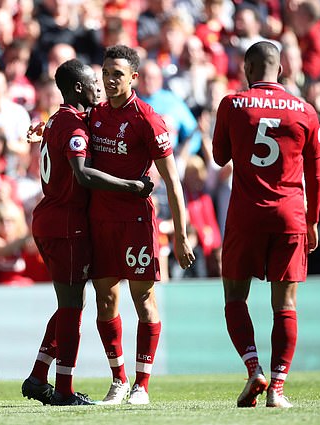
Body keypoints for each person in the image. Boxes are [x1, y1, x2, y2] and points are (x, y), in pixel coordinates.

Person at [21, 58, 154, 406]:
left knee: (70, 302)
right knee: (71, 308)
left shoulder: (60, 119)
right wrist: (133, 186)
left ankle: (38, 376)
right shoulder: (73, 126)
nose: (100, 87)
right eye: (95, 82)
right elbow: (82, 173)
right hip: (67, 224)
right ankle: (63, 390)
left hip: (51, 218)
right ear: (79, 88)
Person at [212, 41, 320, 409]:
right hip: (289, 214)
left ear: (247, 69)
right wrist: (313, 220)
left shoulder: (232, 104)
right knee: (285, 304)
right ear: (280, 69)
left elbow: (219, 157)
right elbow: (316, 176)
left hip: (245, 214)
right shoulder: (305, 111)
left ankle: (253, 368)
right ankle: (277, 388)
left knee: (234, 297)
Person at [88, 45, 195, 405]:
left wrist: (181, 235)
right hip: (101, 220)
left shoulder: (148, 119)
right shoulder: (95, 113)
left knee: (143, 299)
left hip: (136, 222)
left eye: (117, 74)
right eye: (105, 73)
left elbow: (173, 181)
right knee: (105, 299)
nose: (109, 80)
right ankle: (118, 380)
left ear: (133, 78)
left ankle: (142, 385)